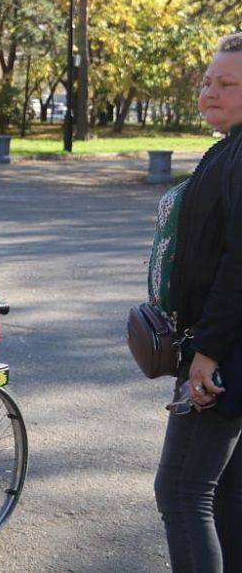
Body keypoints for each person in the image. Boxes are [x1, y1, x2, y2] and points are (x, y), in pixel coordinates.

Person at [154, 33, 242, 572]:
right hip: (223, 351)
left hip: (224, 357)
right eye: (208, 80)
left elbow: (239, 264)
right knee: (226, 494)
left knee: (183, 492)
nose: (209, 92)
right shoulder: (229, 148)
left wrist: (206, 351)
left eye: (227, 84)